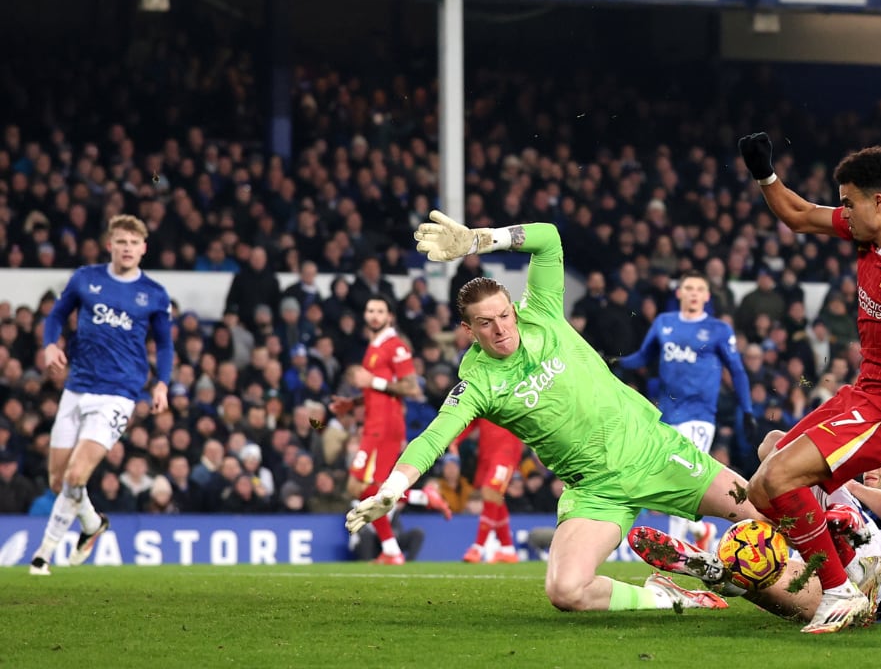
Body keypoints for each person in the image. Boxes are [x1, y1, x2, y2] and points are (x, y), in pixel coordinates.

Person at [347, 213, 848, 620]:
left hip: (654, 453)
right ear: (467, 329)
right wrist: (393, 487)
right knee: (566, 590)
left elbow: (548, 239)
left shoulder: (540, 311)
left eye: (504, 315)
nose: (501, 328)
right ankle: (671, 596)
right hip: (595, 491)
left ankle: (850, 568)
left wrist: (481, 239)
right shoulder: (478, 382)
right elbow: (434, 436)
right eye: (486, 323)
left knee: (767, 514)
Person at [735, 133, 881, 631]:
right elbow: (798, 215)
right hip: (864, 394)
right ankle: (845, 534)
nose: (842, 212)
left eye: (848, 203)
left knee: (780, 478)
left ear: (878, 202)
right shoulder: (868, 230)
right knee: (762, 484)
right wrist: (764, 175)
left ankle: (840, 590)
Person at [630, 430, 881, 625]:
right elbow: (770, 445)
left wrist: (843, 482)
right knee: (762, 575)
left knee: (788, 454)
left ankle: (843, 529)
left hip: (879, 569)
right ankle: (719, 572)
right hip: (864, 605)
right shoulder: (864, 499)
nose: (871, 468)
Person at [30, 214, 174, 575]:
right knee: (57, 480)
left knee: (76, 476)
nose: (127, 249)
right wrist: (50, 345)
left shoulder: (153, 293)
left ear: (144, 248)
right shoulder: (86, 278)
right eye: (121, 242)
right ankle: (92, 524)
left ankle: (43, 555)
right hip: (77, 387)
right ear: (110, 244)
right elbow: (56, 316)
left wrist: (162, 383)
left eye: (133, 243)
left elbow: (166, 344)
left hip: (119, 394)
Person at [613, 270, 756, 549]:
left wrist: (747, 410)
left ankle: (675, 547)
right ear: (679, 293)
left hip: (699, 416)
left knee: (682, 477)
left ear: (706, 296)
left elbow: (737, 371)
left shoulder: (718, 330)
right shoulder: (664, 323)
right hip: (665, 414)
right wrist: (617, 362)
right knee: (669, 475)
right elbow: (644, 356)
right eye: (688, 288)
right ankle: (700, 530)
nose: (693, 293)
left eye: (698, 289)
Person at [328, 295, 427, 565]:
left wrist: (373, 380)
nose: (374, 315)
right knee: (369, 486)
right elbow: (377, 391)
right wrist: (353, 402)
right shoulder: (374, 347)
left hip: (384, 427)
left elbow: (411, 388)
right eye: (370, 310)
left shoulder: (396, 346)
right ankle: (392, 550)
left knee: (359, 484)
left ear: (389, 316)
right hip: (375, 423)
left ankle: (394, 544)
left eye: (380, 311)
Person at [452, 417, 525, 563]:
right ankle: (508, 550)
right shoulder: (484, 396)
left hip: (506, 451)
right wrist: (456, 439)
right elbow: (472, 421)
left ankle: (478, 548)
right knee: (495, 499)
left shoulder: (513, 395)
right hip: (486, 454)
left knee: (490, 492)